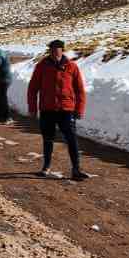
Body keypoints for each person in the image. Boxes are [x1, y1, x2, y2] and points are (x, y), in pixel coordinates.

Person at [27, 40, 90, 181]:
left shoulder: (72, 67)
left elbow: (80, 90)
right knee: (48, 138)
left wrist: (79, 109)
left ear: (62, 50)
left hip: (66, 109)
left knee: (71, 139)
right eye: (53, 49)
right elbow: (33, 88)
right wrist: (32, 108)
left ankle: (76, 169)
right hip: (47, 109)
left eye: (58, 49)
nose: (55, 52)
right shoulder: (41, 66)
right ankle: (46, 167)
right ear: (50, 51)